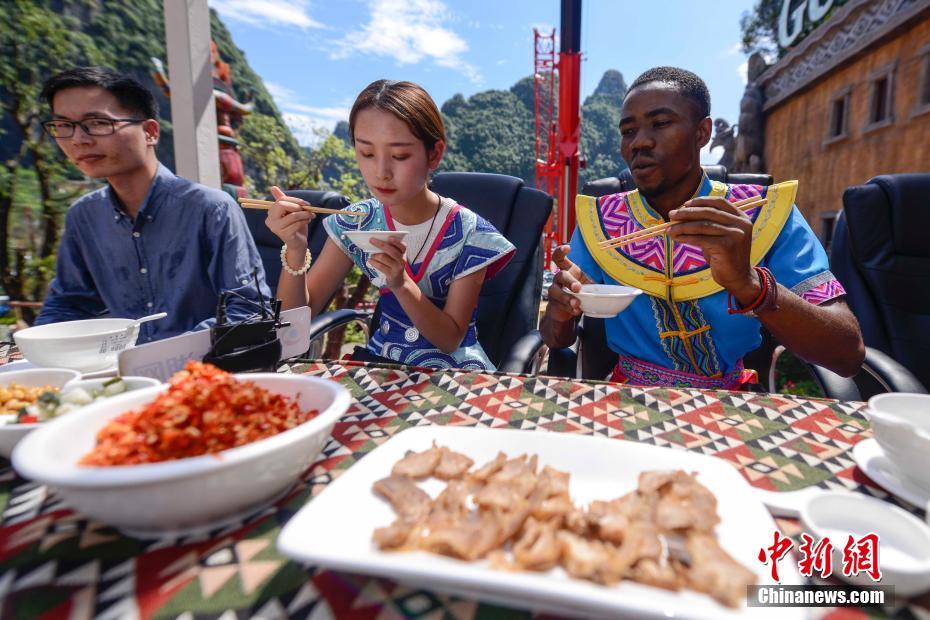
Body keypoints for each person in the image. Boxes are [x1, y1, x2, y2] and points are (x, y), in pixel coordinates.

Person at [541, 67, 864, 388]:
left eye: (661, 123)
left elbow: (847, 354)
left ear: (702, 132)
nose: (639, 142)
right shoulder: (601, 220)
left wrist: (750, 284)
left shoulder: (764, 213)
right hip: (628, 396)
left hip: (732, 403)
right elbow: (556, 338)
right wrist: (560, 311)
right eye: (628, 131)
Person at [266, 80, 515, 370]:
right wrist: (295, 249)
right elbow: (296, 324)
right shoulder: (358, 221)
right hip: (381, 366)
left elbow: (450, 339)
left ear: (434, 153)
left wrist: (401, 282)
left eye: (399, 156)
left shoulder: (471, 233)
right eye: (367, 153)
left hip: (454, 372)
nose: (381, 172)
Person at [34, 67, 270, 343]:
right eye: (64, 126)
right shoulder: (83, 216)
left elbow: (249, 310)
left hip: (204, 371)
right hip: (118, 371)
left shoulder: (211, 208)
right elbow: (68, 304)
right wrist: (37, 351)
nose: (78, 139)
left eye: (97, 123)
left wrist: (157, 356)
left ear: (149, 132)